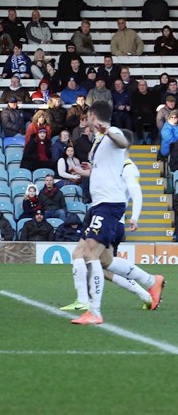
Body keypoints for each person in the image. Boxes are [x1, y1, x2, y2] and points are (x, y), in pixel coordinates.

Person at [62, 103, 165, 325]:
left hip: (109, 205)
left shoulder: (111, 132)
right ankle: (151, 281)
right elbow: (103, 169)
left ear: (92, 116)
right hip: (99, 205)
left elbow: (123, 141)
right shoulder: (99, 141)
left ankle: (94, 311)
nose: (86, 122)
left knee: (89, 253)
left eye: (87, 117)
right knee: (103, 259)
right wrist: (83, 171)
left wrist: (108, 130)